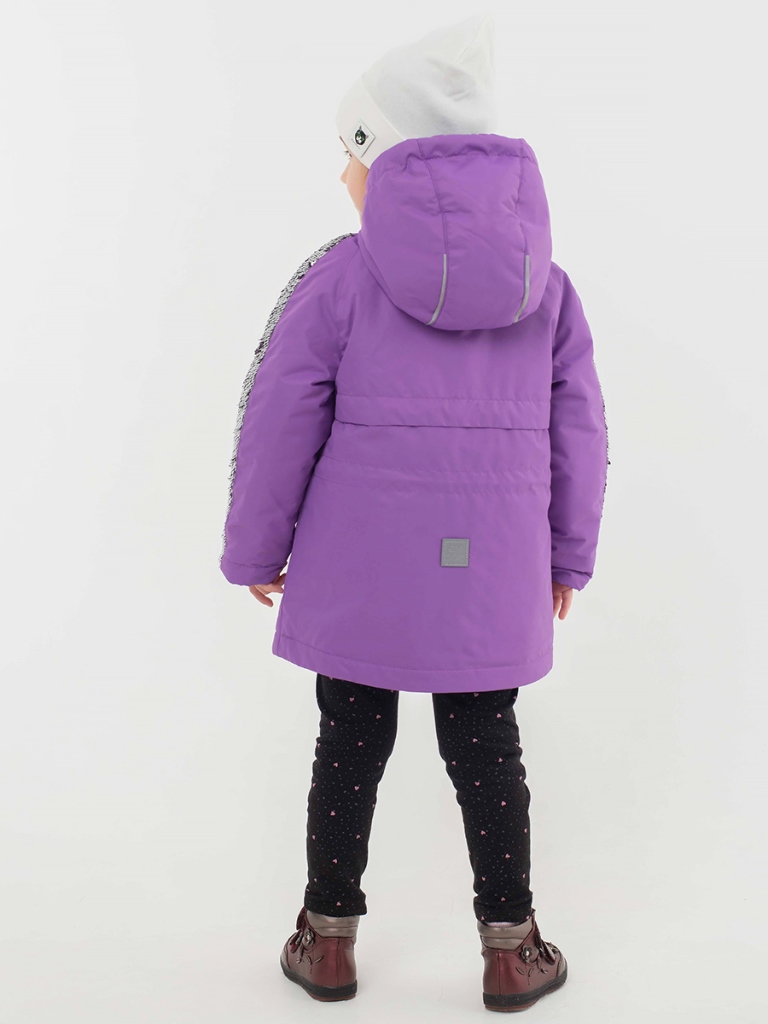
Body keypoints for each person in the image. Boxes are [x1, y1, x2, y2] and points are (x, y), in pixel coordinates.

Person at [219, 12, 609, 1012]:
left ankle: (326, 940)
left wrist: (257, 546)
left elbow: (278, 415)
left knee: (350, 740)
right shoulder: (548, 291)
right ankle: (512, 950)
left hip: (362, 566)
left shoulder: (338, 277)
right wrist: (567, 556)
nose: (341, 175)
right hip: (492, 566)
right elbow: (582, 430)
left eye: (351, 154)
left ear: (389, 161)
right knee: (487, 745)